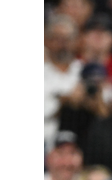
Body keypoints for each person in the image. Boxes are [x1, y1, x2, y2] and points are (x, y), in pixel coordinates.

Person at [45, 14, 83, 152]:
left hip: (81, 141)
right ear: (46, 41)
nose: (63, 44)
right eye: (57, 39)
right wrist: (64, 102)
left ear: (76, 41)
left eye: (68, 39)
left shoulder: (85, 71)